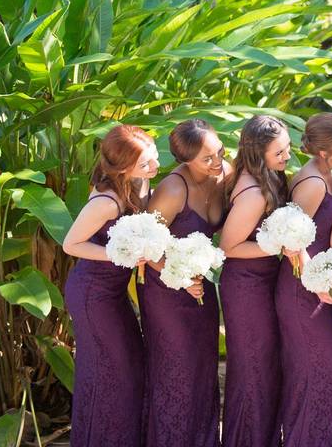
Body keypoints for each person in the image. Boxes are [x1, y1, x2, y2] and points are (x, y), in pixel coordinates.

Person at [63, 125, 159, 447]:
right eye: (145, 164)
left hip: (114, 293)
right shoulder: (106, 202)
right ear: (122, 168)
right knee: (113, 374)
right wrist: (123, 255)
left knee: (130, 367)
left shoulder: (141, 181)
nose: (154, 167)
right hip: (92, 293)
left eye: (154, 158)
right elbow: (70, 244)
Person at [140, 119, 229, 447]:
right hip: (166, 292)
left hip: (201, 288)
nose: (217, 162)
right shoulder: (173, 190)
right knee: (177, 374)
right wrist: (177, 276)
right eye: (207, 159)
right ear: (185, 160)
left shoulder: (224, 172)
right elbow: (143, 244)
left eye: (219, 151)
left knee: (203, 371)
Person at [276, 113, 332, 446]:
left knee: (320, 378)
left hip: (318, 288)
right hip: (301, 290)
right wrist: (318, 282)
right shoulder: (312, 184)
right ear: (324, 152)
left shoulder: (328, 174)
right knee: (327, 377)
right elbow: (290, 241)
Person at [219, 116, 291, 447]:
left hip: (262, 280)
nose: (287, 157)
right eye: (280, 152)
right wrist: (281, 244)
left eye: (288, 148)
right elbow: (229, 247)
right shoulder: (252, 193)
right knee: (253, 370)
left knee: (263, 367)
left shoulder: (267, 177)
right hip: (246, 286)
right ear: (257, 152)